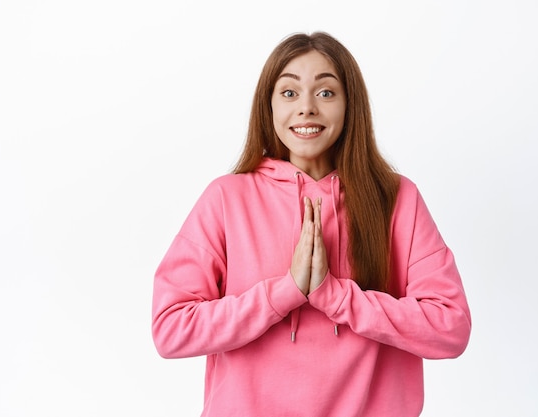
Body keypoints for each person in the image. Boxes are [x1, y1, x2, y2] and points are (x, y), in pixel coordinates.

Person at [152, 32, 471, 417]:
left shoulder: (396, 198)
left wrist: (336, 297)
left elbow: (450, 328)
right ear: (268, 106)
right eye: (289, 93)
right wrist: (283, 293)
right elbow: (170, 329)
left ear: (350, 105)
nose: (306, 108)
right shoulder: (226, 198)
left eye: (325, 93)